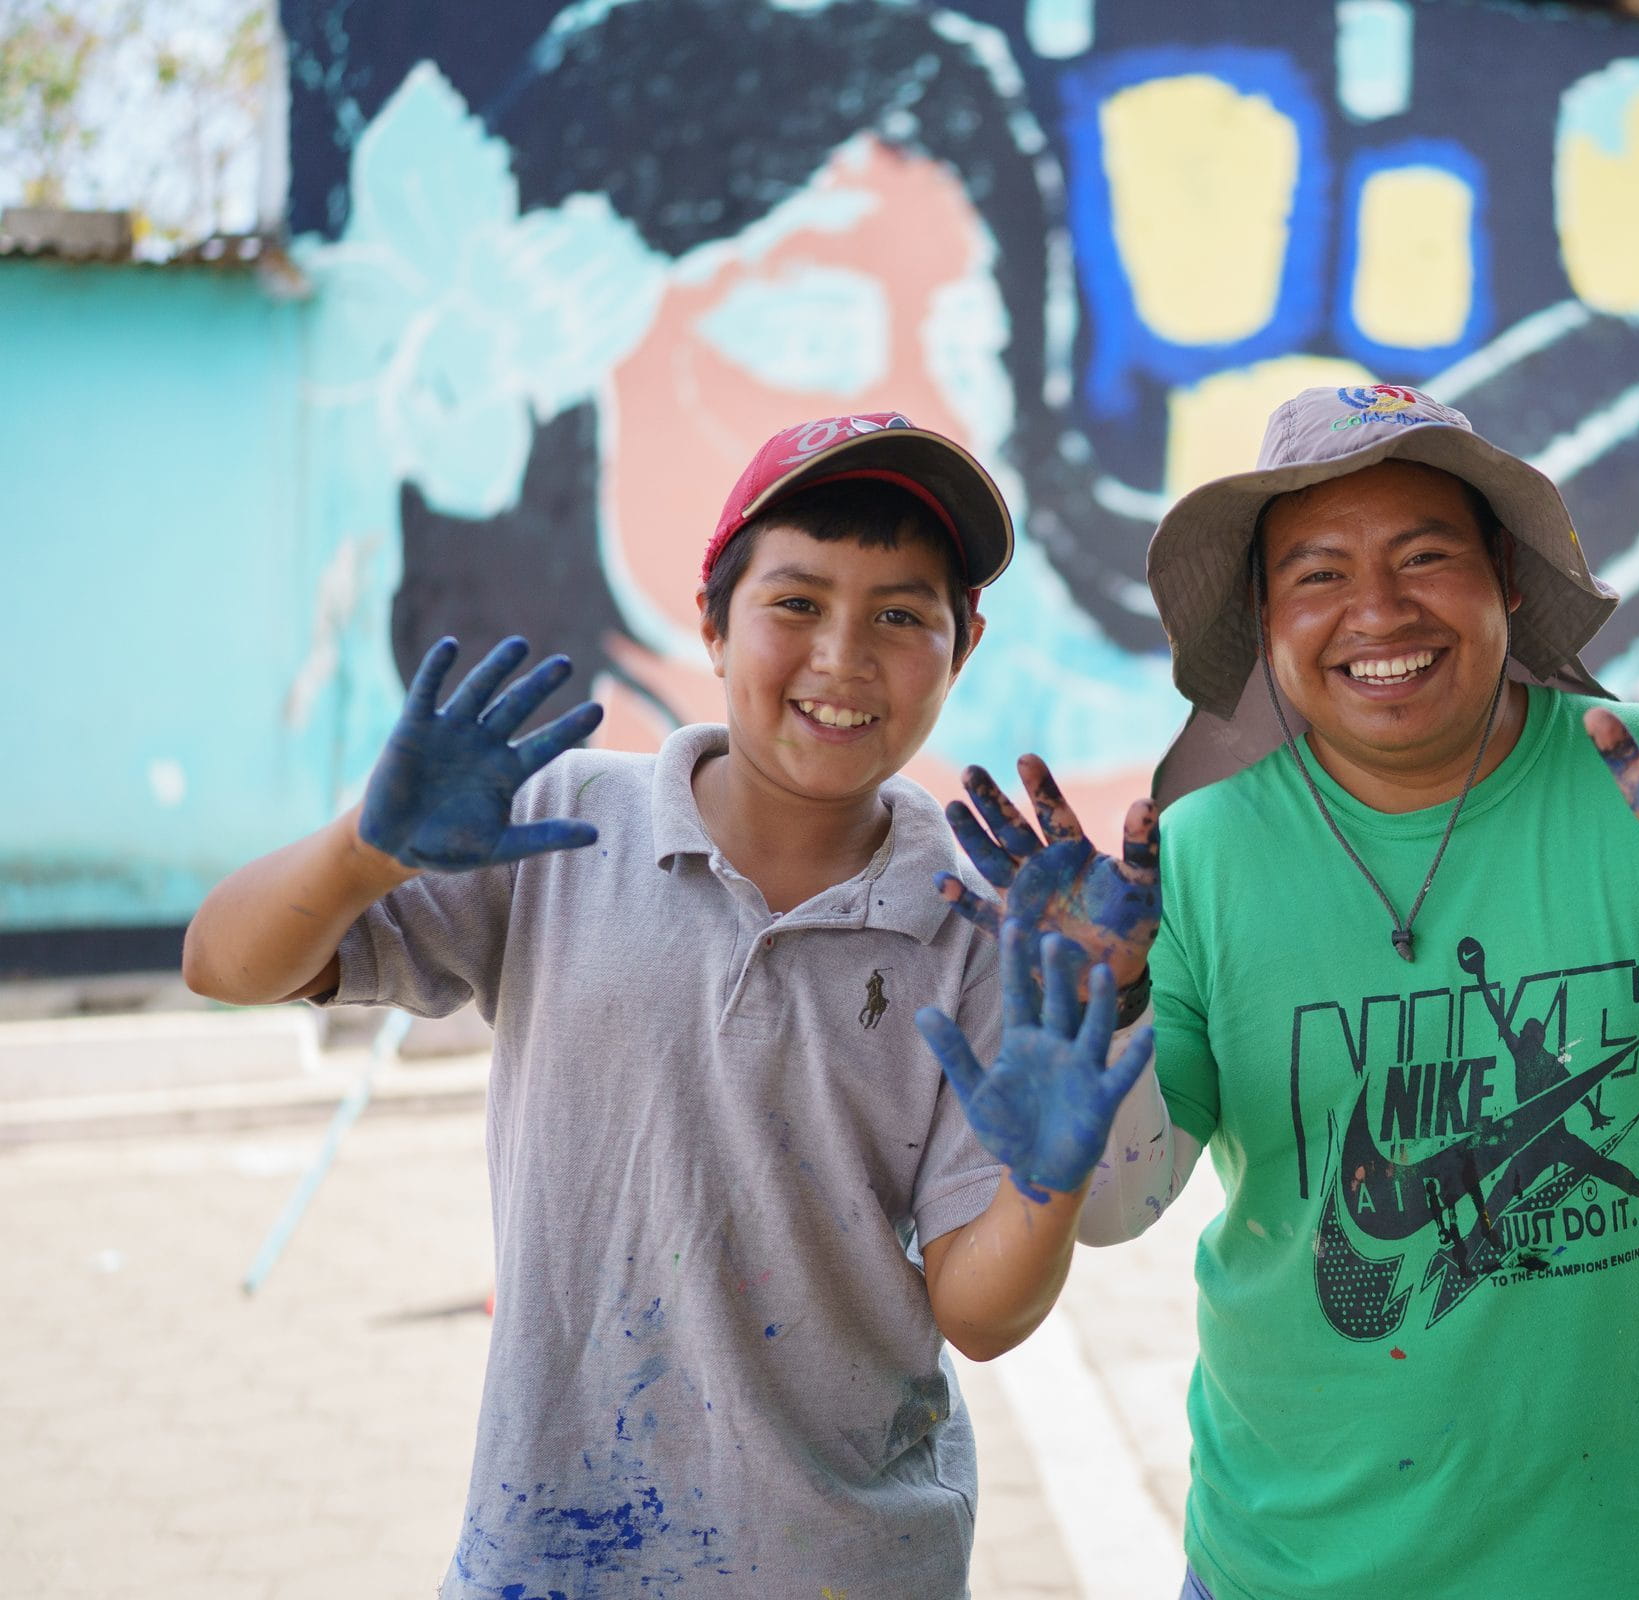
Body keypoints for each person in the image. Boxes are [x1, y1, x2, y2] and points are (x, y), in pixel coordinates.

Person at [923, 384, 1639, 1599]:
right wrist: (1104, 1006)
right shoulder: (1201, 854)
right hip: (1285, 1565)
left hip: (1611, 1563)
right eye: (1319, 574)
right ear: (1265, 617)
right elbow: (1127, 1204)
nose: (1377, 610)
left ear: (1506, 575)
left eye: (1425, 557)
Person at [181, 413, 1152, 1598]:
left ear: (964, 648)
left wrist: (1046, 1190)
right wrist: (362, 856)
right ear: (711, 615)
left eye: (901, 615)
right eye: (796, 603)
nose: (843, 657)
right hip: (548, 1552)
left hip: (845, 1565)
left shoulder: (976, 921)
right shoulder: (561, 826)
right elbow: (224, 964)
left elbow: (982, 1314)